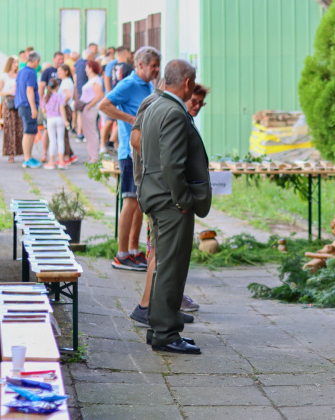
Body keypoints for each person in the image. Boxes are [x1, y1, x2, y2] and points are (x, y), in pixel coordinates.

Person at [139, 59, 211, 354]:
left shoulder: (155, 105)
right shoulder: (172, 110)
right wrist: (183, 200)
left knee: (164, 265)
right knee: (172, 266)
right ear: (187, 83)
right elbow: (172, 164)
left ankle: (160, 327)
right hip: (170, 201)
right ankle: (167, 333)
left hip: (158, 196)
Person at [98, 46, 161, 271]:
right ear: (140, 64)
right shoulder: (128, 84)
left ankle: (134, 251)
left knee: (140, 204)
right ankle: (121, 254)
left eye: (157, 66)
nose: (156, 69)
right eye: (152, 65)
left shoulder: (148, 85)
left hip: (144, 151)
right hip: (129, 152)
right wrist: (130, 118)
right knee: (131, 201)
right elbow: (104, 105)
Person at [15, 50, 42, 168]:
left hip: (21, 104)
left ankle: (28, 156)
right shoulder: (31, 73)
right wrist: (33, 108)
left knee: (30, 131)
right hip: (27, 106)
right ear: (36, 61)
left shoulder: (21, 71)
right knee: (29, 132)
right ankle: (27, 158)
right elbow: (29, 90)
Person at [38, 51, 65, 162]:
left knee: (57, 138)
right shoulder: (48, 71)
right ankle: (45, 153)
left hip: (55, 110)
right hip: (50, 109)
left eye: (62, 59)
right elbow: (41, 86)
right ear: (54, 59)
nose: (61, 61)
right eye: (59, 59)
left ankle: (58, 158)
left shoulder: (65, 71)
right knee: (48, 133)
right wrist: (41, 103)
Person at [0, 56, 23, 162]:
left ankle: (20, 151)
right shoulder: (5, 76)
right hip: (9, 103)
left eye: (17, 62)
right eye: (14, 62)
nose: (16, 64)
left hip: (18, 102)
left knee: (19, 128)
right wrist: (10, 92)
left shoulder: (19, 75)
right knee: (10, 128)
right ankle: (10, 153)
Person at [79, 60, 104, 163]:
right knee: (88, 133)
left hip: (90, 109)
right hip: (85, 108)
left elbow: (99, 95)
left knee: (92, 132)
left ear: (91, 68)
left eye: (87, 67)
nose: (86, 70)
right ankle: (91, 155)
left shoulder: (96, 80)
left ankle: (94, 156)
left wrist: (89, 106)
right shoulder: (92, 80)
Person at [41, 78, 68, 170]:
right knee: (60, 140)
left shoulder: (45, 97)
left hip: (50, 119)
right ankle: (61, 161)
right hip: (59, 118)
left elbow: (43, 109)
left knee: (52, 140)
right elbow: (62, 108)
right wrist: (65, 120)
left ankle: (51, 162)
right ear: (57, 86)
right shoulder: (59, 96)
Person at [56, 64, 78, 165]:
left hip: (65, 108)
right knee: (64, 134)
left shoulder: (65, 82)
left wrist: (62, 103)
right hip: (68, 107)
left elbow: (68, 95)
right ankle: (71, 154)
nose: (58, 73)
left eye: (60, 70)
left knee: (63, 134)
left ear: (66, 71)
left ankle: (66, 156)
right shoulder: (68, 81)